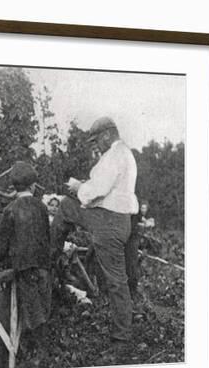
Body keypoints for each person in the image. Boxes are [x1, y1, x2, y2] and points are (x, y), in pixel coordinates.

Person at [50, 117, 138, 343]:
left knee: (116, 280)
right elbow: (106, 191)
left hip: (108, 223)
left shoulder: (113, 155)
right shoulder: (125, 154)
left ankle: (122, 335)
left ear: (107, 135)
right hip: (119, 220)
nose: (95, 146)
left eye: (96, 140)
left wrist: (79, 187)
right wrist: (85, 189)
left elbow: (96, 191)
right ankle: (52, 257)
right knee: (67, 208)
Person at [0, 161, 52, 346]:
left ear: (14, 186)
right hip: (43, 265)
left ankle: (37, 349)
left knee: (31, 308)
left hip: (22, 267)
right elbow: (47, 237)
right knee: (42, 303)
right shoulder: (42, 208)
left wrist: (3, 260)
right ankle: (43, 346)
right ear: (33, 186)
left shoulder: (9, 210)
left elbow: (1, 246)